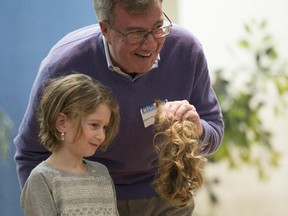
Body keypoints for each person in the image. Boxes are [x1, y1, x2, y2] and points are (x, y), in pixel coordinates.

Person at [14, 0, 224, 215]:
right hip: (92, 196)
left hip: (166, 194)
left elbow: (214, 130)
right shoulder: (63, 65)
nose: (150, 44)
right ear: (105, 29)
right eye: (135, 33)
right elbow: (31, 153)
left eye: (158, 27)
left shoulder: (186, 50)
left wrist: (197, 129)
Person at [20, 73, 120, 215]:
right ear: (62, 122)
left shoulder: (101, 173)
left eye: (104, 127)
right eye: (94, 125)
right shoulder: (42, 178)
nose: (101, 136)